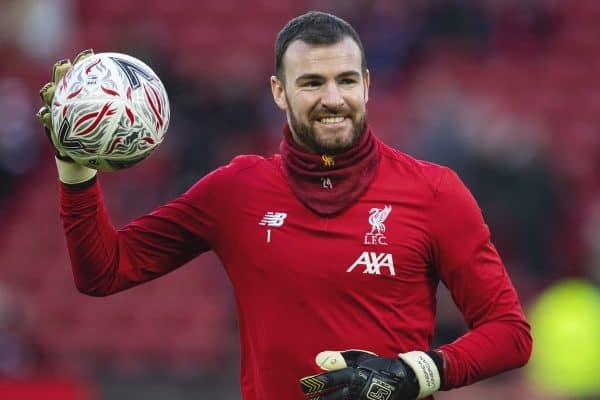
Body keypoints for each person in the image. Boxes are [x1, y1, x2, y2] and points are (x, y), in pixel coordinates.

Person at [35, 11, 532, 400]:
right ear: (279, 91)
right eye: (312, 83)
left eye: (346, 80)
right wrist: (75, 169)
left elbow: (510, 333)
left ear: (367, 84)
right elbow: (104, 271)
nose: (332, 98)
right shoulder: (236, 191)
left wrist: (414, 372)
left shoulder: (434, 191)